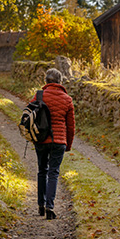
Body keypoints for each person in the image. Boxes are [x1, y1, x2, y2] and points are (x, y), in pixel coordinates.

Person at [32, 68, 75, 219]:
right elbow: (70, 126)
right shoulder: (67, 99)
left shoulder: (38, 96)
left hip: (41, 139)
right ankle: (50, 206)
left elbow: (29, 118)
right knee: (53, 172)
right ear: (60, 82)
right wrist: (68, 145)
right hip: (59, 141)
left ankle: (40, 206)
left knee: (42, 171)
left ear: (46, 81)